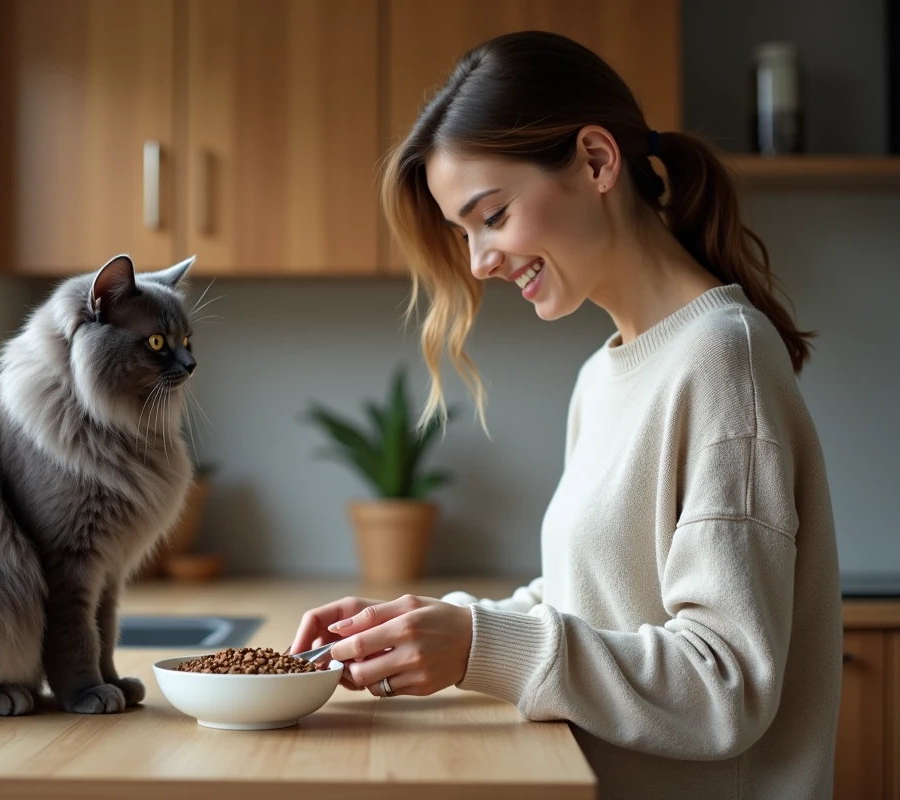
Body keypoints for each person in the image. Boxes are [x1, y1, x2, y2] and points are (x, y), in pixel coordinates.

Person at [289, 31, 841, 800]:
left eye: (492, 214)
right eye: (463, 232)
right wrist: (425, 626)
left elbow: (726, 684)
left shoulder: (723, 358)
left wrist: (479, 646)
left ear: (595, 160)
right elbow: (587, 600)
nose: (479, 261)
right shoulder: (603, 373)